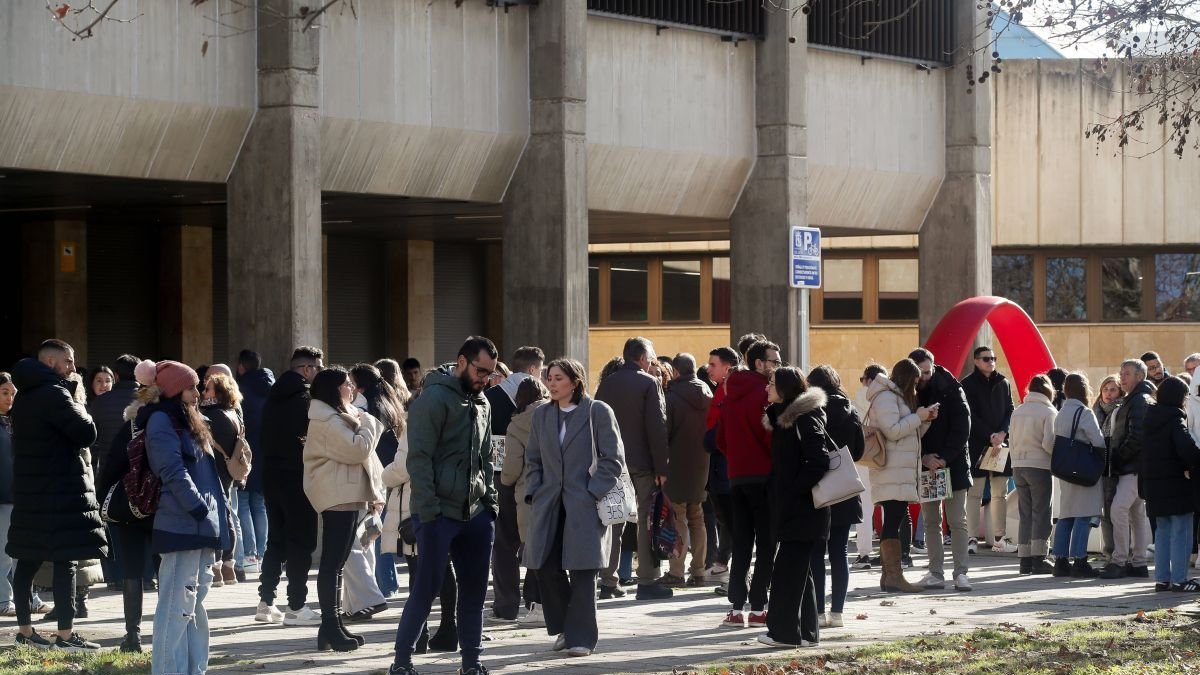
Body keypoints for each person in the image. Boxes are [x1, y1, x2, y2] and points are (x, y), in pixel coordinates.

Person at [389, 336, 499, 675]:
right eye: (481, 370)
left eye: (491, 373)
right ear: (461, 362)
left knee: (475, 593)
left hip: (476, 513)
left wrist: (490, 503)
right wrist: (430, 511)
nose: (485, 379)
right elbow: (418, 461)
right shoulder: (431, 400)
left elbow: (486, 456)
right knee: (426, 589)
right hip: (437, 514)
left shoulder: (483, 403)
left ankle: (472, 664)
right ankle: (402, 663)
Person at [7, 339, 105, 652]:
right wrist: (82, 406)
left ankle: (25, 631)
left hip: (31, 492)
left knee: (27, 560)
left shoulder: (23, 397)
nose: (74, 369)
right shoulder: (56, 393)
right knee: (67, 561)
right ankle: (65, 636)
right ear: (50, 362)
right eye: (69, 361)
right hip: (61, 492)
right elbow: (86, 433)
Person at [523, 358, 624, 657]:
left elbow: (612, 458)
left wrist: (592, 492)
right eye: (548, 378)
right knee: (544, 567)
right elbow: (533, 459)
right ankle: (567, 626)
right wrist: (535, 491)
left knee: (583, 572)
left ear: (575, 381)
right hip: (549, 503)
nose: (551, 384)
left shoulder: (597, 411)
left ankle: (581, 637)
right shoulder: (542, 415)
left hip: (584, 504)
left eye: (557, 378)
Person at [135, 360, 228, 674]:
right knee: (176, 607)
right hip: (181, 523)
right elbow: (171, 469)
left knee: (193, 606)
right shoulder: (162, 420)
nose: (198, 391)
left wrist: (216, 515)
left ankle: (193, 669)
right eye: (191, 386)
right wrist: (198, 506)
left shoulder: (191, 419)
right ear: (175, 390)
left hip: (201, 523)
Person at [302, 366, 386, 652]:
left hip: (347, 493)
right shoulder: (326, 419)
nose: (352, 388)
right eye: (347, 384)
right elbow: (357, 450)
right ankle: (330, 624)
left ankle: (332, 626)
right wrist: (369, 423)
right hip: (336, 495)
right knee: (332, 563)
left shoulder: (336, 415)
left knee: (336, 564)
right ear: (334, 389)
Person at [594, 337, 672, 601]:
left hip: (611, 462)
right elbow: (657, 427)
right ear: (642, 359)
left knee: (613, 519)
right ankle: (648, 581)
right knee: (647, 521)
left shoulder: (607, 383)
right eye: (651, 359)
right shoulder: (649, 383)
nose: (653, 364)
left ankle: (608, 581)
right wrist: (662, 467)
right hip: (642, 463)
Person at [758, 367, 830, 649]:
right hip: (797, 508)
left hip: (803, 509)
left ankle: (784, 633)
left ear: (786, 388)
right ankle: (807, 633)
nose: (767, 388)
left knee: (787, 571)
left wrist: (791, 492)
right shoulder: (785, 418)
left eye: (772, 384)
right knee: (801, 572)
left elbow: (819, 461)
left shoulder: (803, 418)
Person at [256, 346, 325, 625]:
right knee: (301, 541)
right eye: (318, 368)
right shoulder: (307, 400)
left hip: (271, 476)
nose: (319, 373)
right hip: (298, 477)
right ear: (307, 369)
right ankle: (296, 606)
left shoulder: (272, 397)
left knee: (277, 540)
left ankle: (266, 602)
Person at [718, 340, 780, 626]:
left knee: (742, 542)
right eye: (773, 361)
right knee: (767, 543)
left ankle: (734, 609)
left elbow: (720, 439)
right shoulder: (765, 394)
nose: (777, 366)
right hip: (764, 477)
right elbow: (772, 437)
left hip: (737, 477)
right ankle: (757, 608)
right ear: (758, 363)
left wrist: (737, 459)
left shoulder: (730, 392)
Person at [484, 346, 544, 621]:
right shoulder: (545, 401)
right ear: (533, 369)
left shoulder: (489, 397)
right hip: (536, 480)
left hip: (499, 476)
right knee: (536, 538)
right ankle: (535, 598)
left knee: (504, 543)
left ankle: (506, 603)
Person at [908, 348, 973, 592]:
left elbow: (962, 427)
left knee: (957, 521)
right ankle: (935, 572)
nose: (924, 377)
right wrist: (923, 458)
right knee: (931, 520)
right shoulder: (909, 391)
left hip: (952, 464)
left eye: (927, 371)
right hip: (926, 464)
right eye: (920, 373)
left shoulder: (952, 388)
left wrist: (944, 458)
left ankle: (961, 573)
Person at [865, 361, 933, 594]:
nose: (916, 389)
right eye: (914, 383)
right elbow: (892, 431)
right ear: (907, 379)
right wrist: (918, 416)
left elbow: (906, 434)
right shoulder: (886, 397)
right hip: (891, 470)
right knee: (893, 520)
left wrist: (924, 420)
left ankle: (889, 576)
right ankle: (894, 576)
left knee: (893, 520)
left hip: (898, 471)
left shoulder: (895, 397)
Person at [806, 365, 864, 629]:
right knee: (839, 551)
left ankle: (817, 612)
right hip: (845, 486)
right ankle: (838, 612)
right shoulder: (850, 409)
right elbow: (860, 450)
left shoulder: (810, 410)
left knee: (817, 552)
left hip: (819, 487)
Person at [351, 362, 411, 605]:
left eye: (352, 382)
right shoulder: (388, 402)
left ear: (360, 385)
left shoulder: (366, 407)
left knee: (375, 532)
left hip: (378, 475)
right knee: (380, 529)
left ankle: (383, 586)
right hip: (390, 471)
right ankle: (388, 583)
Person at [1143, 377, 1200, 591]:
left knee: (1162, 532)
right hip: (1176, 484)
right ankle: (1179, 579)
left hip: (1154, 486)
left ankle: (1162, 579)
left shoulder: (1150, 420)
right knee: (1182, 531)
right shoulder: (1175, 419)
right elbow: (1186, 449)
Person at [502, 378, 550, 627]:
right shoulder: (556, 413)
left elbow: (510, 470)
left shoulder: (517, 425)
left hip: (529, 494)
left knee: (532, 553)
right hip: (557, 491)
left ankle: (537, 607)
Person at [1101, 359, 1155, 579]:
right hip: (1134, 466)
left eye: (1127, 374)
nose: (1122, 377)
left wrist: (1119, 457)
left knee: (1118, 510)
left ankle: (1120, 560)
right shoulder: (1134, 399)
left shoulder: (1139, 400)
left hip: (1133, 466)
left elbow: (1137, 436)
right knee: (1135, 514)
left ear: (1139, 377)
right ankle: (1139, 562)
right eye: (1121, 373)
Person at [959, 346, 1016, 554]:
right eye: (985, 358)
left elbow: (1010, 409)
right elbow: (969, 415)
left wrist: (1002, 433)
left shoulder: (1004, 382)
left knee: (1000, 493)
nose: (990, 361)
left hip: (1000, 445)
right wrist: (989, 436)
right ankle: (971, 539)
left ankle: (1000, 538)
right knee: (974, 494)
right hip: (977, 446)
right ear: (975, 361)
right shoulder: (966, 384)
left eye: (993, 358)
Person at [662, 353, 713, 587]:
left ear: (675, 371)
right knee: (698, 517)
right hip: (702, 462)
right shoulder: (708, 392)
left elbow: (665, 432)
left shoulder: (671, 396)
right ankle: (700, 570)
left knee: (678, 516)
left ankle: (677, 571)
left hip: (677, 462)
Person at [1051, 373, 1106, 578]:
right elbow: (1098, 441)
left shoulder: (1061, 412)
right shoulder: (1084, 412)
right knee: (1083, 516)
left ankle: (1060, 561)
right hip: (1084, 471)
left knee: (1066, 516)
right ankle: (1080, 560)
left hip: (1066, 471)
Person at [1008, 375, 1058, 575]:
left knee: (1025, 513)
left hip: (1018, 466)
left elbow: (1011, 440)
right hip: (1040, 466)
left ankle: (1025, 559)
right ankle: (1039, 558)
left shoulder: (1018, 411)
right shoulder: (1049, 411)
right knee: (1042, 512)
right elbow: (1049, 444)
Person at [201, 372, 245, 587]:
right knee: (227, 515)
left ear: (218, 393)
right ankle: (228, 567)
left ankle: (217, 566)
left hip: (213, 469)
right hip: (227, 471)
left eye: (207, 388)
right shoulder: (233, 413)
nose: (202, 392)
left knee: (217, 517)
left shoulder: (211, 415)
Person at [703, 347, 739, 586]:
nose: (708, 368)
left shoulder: (731, 393)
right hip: (720, 469)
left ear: (727, 368)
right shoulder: (719, 391)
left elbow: (720, 434)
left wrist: (709, 439)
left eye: (713, 364)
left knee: (733, 522)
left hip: (728, 470)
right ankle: (723, 565)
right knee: (727, 521)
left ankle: (732, 573)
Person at [235, 350, 273, 576]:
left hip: (246, 453)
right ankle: (264, 553)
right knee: (260, 505)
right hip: (266, 453)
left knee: (243, 503)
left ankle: (249, 555)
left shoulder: (240, 390)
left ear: (241, 366)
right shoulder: (271, 387)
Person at [853, 364, 887, 570]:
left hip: (864, 455)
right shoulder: (890, 397)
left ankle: (864, 553)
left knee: (864, 505)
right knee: (887, 504)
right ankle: (888, 552)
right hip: (885, 454)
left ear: (867, 379)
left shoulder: (858, 398)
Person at [1094, 373, 1122, 563]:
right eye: (1105, 389)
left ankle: (1119, 550)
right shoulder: (1095, 411)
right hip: (1099, 469)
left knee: (1116, 511)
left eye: (1113, 389)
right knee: (1104, 511)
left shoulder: (1121, 411)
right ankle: (1108, 550)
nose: (1108, 393)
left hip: (1116, 467)